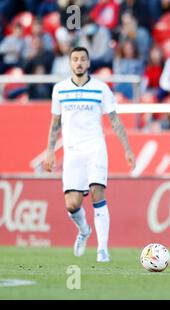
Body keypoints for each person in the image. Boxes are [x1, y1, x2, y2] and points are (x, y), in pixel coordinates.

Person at [43, 47, 136, 262]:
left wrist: (127, 149)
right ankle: (84, 230)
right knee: (72, 204)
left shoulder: (101, 88)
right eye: (75, 59)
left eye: (82, 59)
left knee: (97, 192)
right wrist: (49, 151)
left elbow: (114, 119)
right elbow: (55, 122)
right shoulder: (60, 89)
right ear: (69, 63)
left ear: (88, 63)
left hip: (95, 148)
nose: (79, 63)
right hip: (72, 151)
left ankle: (102, 249)